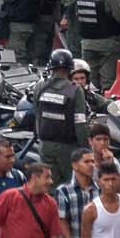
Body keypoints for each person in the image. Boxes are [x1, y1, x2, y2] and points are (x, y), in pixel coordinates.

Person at [34, 48, 89, 184]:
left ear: (51, 67)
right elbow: (80, 124)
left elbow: (38, 114)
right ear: (70, 69)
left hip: (45, 145)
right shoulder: (75, 90)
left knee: (49, 184)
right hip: (67, 148)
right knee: (71, 184)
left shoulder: (40, 87)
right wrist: (86, 149)